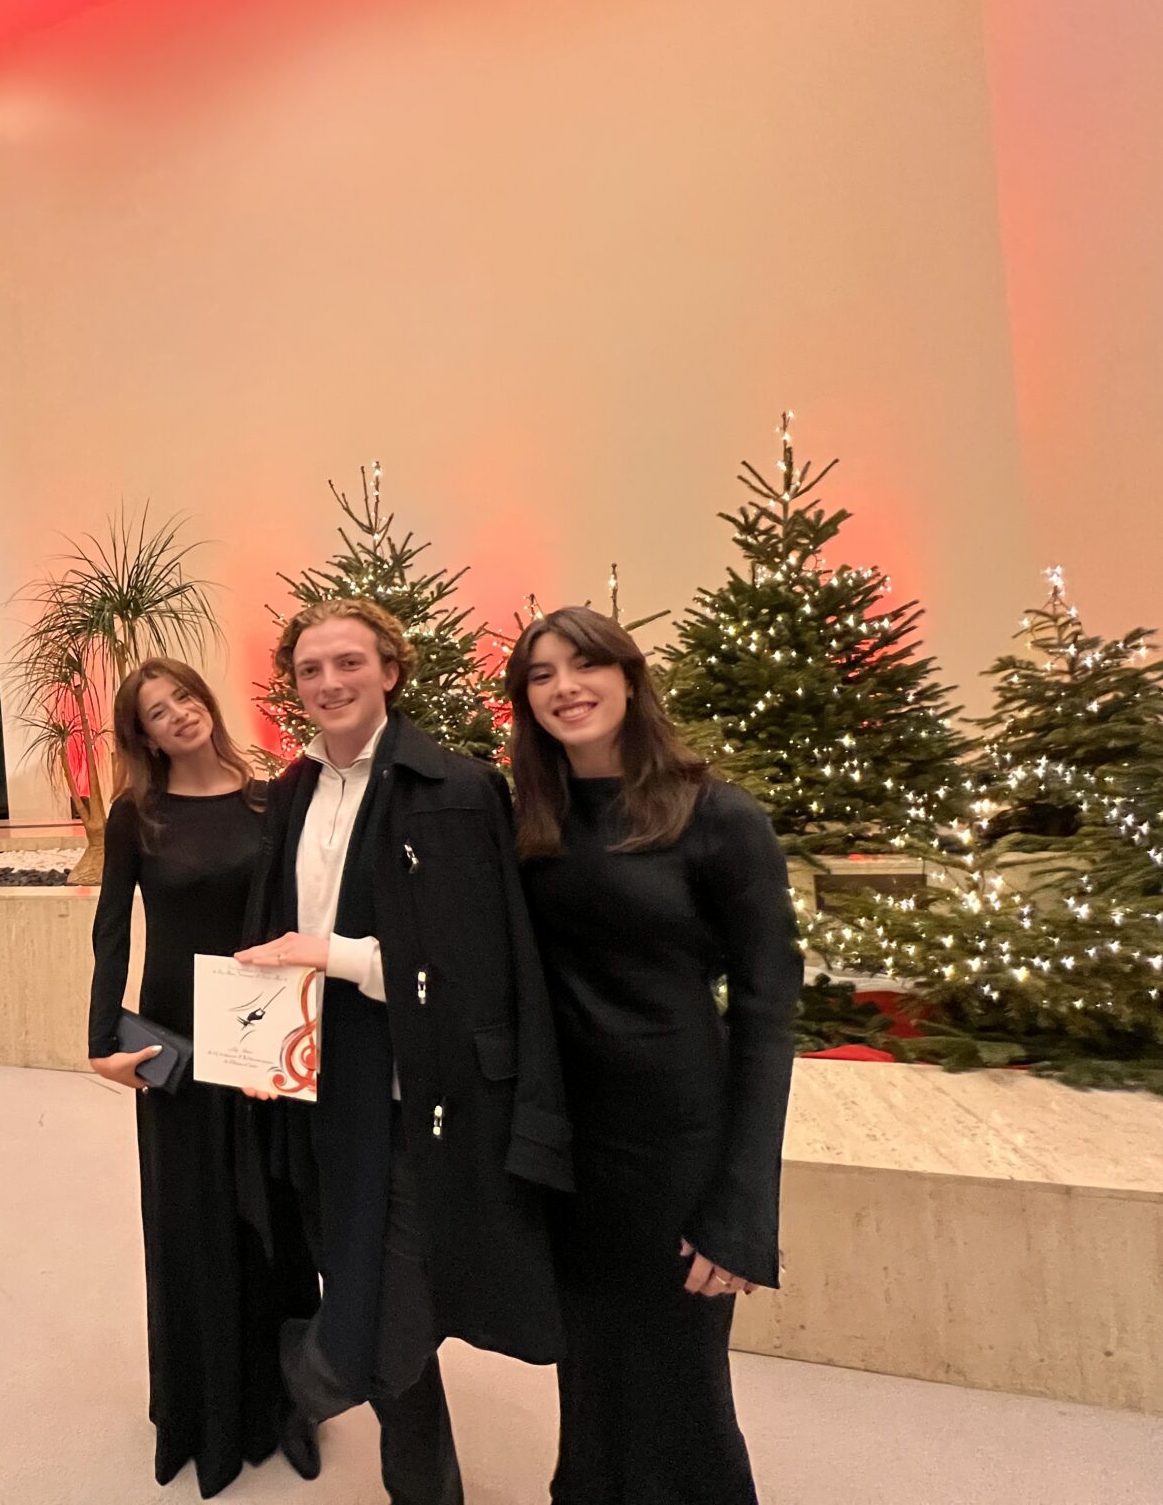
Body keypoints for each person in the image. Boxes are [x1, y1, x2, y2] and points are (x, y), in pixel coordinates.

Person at [237, 599, 574, 1505]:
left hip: (419, 1094)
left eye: (349, 662)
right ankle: (426, 1490)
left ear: (390, 670)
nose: (329, 683)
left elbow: (473, 968)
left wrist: (336, 956)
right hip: (317, 1086)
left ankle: (304, 1376)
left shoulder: (457, 788)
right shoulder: (290, 793)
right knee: (363, 1285)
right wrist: (262, 1048)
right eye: (310, 670)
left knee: (390, 1306)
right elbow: (272, 932)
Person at [506, 606, 800, 1505]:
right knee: (590, 1370)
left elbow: (767, 1013)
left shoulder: (718, 815)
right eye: (542, 675)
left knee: (681, 1387)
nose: (565, 688)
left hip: (675, 1142)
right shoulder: (527, 820)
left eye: (585, 665)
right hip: (566, 1144)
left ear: (630, 680)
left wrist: (743, 1209)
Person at [87, 657, 321, 1497]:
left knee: (276, 1219)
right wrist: (100, 1041)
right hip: (177, 1043)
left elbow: (301, 917)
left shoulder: (270, 802)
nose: (178, 714)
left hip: (264, 1037)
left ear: (205, 702)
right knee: (192, 1219)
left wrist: (306, 1032)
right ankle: (202, 1412)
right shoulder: (137, 816)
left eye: (183, 697)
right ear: (144, 735)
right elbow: (112, 930)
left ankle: (288, 1406)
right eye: (157, 711)